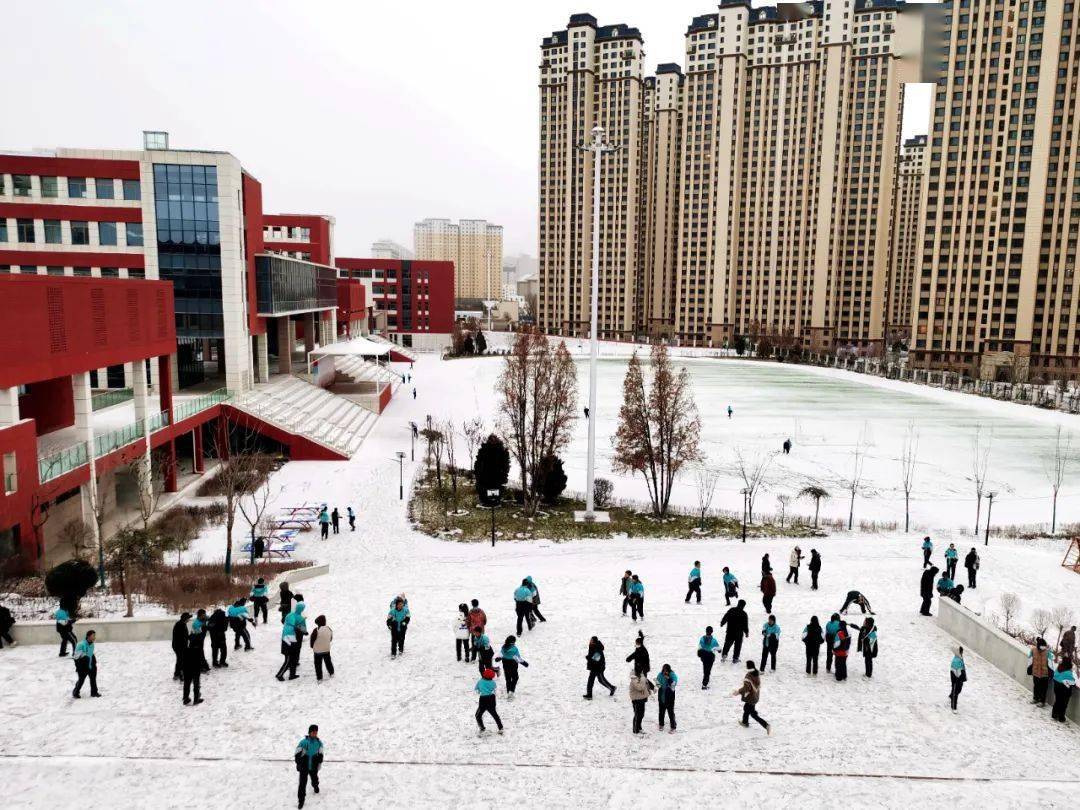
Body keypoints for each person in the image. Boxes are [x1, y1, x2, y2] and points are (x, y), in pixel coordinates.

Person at [733, 661, 769, 734]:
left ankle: (766, 725)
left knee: (752, 714)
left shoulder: (749, 676)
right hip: (755, 696)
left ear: (748, 667)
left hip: (750, 697)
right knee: (746, 709)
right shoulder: (756, 673)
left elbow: (746, 688)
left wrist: (738, 692)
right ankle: (745, 722)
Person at [295, 724, 324, 809]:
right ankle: (301, 800)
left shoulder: (319, 743)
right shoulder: (303, 742)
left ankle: (315, 785)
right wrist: (298, 763)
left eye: (316, 732)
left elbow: (321, 753)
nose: (315, 734)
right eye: (313, 732)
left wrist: (320, 759)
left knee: (315, 779)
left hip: (314, 766)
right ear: (310, 732)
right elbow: (297, 753)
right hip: (304, 766)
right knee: (302, 784)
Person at [277, 599, 307, 680]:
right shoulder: (301, 618)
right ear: (302, 609)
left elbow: (284, 622)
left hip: (284, 637)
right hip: (292, 639)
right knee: (289, 659)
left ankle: (292, 674)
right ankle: (279, 675)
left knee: (292, 658)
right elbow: (304, 630)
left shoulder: (289, 615)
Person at [72, 630, 100, 698]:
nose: (94, 637)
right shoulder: (81, 644)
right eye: (93, 636)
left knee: (93, 678)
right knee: (81, 680)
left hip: (90, 665)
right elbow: (76, 657)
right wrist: (79, 667)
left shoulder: (92, 644)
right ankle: (75, 692)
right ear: (88, 636)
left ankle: (94, 692)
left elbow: (90, 654)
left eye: (94, 636)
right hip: (82, 666)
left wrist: (93, 662)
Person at [475, 668, 504, 734]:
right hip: (492, 699)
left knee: (478, 715)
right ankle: (500, 727)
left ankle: (482, 728)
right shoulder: (493, 682)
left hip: (483, 699)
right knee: (494, 714)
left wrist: (481, 691)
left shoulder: (480, 682)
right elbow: (495, 690)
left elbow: (477, 690)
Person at [182, 625, 205, 706]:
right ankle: (196, 698)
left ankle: (185, 698)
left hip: (187, 666)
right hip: (195, 665)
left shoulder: (186, 649)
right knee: (196, 682)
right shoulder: (199, 649)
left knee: (187, 683)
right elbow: (201, 659)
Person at [1028, 637, 1054, 706]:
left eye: (1044, 646)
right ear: (1038, 645)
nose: (1043, 648)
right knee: (1036, 686)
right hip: (1035, 672)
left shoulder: (1048, 652)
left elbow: (1051, 664)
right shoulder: (1033, 650)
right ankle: (1035, 698)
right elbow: (1030, 660)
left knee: (1043, 689)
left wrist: (1051, 673)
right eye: (1042, 646)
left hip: (1045, 674)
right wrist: (1029, 668)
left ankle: (1042, 701)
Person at [310, 615, 334, 681]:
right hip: (326, 649)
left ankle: (319, 678)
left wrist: (312, 646)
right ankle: (331, 672)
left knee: (318, 664)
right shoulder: (329, 628)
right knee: (328, 661)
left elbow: (312, 639)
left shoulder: (316, 630)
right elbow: (330, 638)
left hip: (318, 651)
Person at [656, 664, 678, 733]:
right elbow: (657, 682)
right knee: (661, 712)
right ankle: (661, 724)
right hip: (661, 696)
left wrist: (668, 678)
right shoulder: (660, 674)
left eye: (666, 670)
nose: (665, 672)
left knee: (670, 712)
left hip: (669, 697)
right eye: (664, 670)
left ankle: (673, 727)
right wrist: (659, 685)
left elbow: (673, 685)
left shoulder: (673, 675)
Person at [172, 612, 192, 680]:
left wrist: (190, 636)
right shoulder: (180, 625)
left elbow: (184, 636)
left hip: (179, 645)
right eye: (188, 618)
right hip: (179, 646)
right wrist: (190, 637)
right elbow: (182, 637)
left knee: (180, 660)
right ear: (185, 618)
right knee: (182, 660)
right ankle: (181, 675)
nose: (189, 619)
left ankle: (177, 674)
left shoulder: (182, 624)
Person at [949, 647, 966, 712]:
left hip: (960, 675)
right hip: (955, 675)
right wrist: (958, 677)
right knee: (955, 690)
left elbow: (963, 668)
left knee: (958, 689)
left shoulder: (960, 658)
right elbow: (956, 670)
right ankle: (953, 707)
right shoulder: (956, 660)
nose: (962, 653)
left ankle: (951, 696)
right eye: (961, 652)